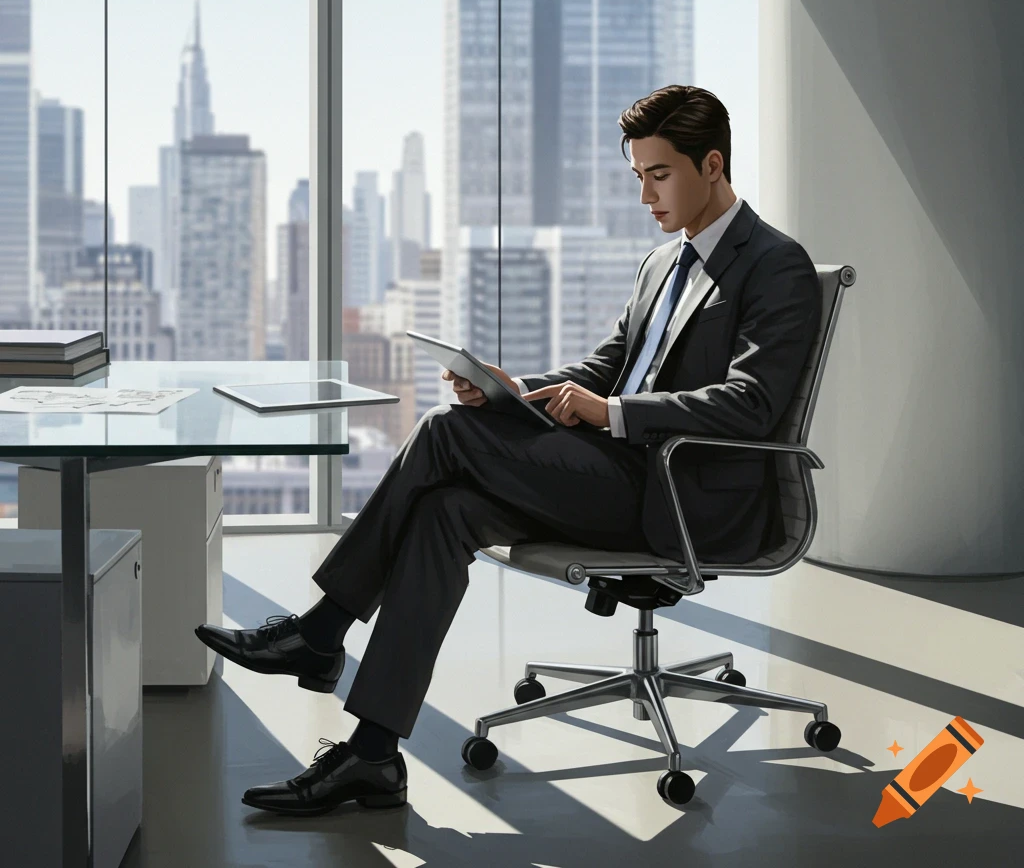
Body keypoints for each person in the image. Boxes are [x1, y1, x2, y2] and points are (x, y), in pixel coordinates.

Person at [196, 85, 821, 816]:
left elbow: (751, 405)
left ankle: (321, 631)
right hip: (619, 473)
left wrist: (613, 413)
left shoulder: (774, 263)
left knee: (441, 432)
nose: (646, 195)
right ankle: (371, 756)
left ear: (711, 165)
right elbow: (603, 366)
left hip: (686, 498)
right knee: (446, 512)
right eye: (638, 177)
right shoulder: (661, 265)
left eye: (660, 175)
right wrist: (516, 388)